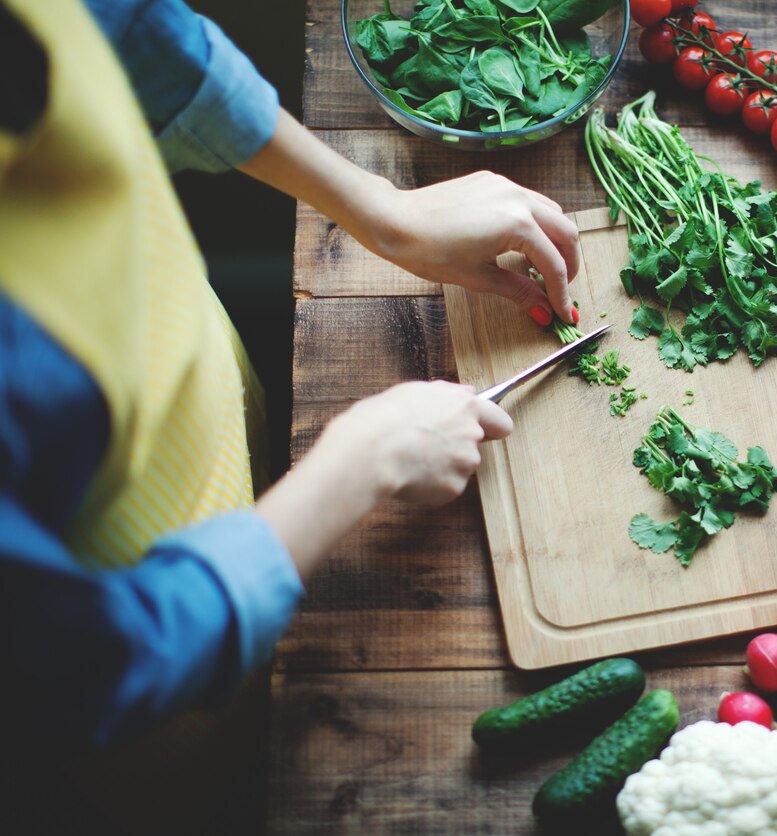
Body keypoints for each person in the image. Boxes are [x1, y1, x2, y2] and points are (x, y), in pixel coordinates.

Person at [0, 0, 580, 830]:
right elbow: (84, 674)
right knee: (222, 782)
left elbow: (129, 30)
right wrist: (360, 463)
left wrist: (377, 206)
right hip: (157, 657)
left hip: (185, 393)